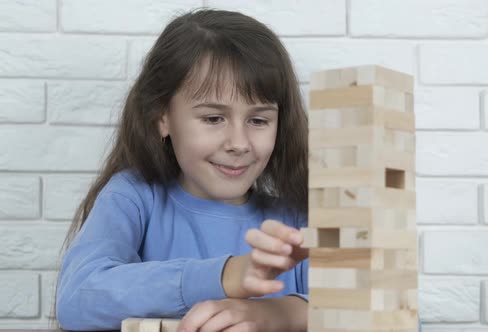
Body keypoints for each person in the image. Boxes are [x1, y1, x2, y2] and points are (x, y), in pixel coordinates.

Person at [55, 8, 309, 332]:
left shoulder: (296, 220)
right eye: (213, 118)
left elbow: (353, 310)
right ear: (163, 118)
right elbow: (78, 298)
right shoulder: (134, 197)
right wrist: (225, 277)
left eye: (258, 120)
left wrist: (280, 315)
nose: (239, 143)